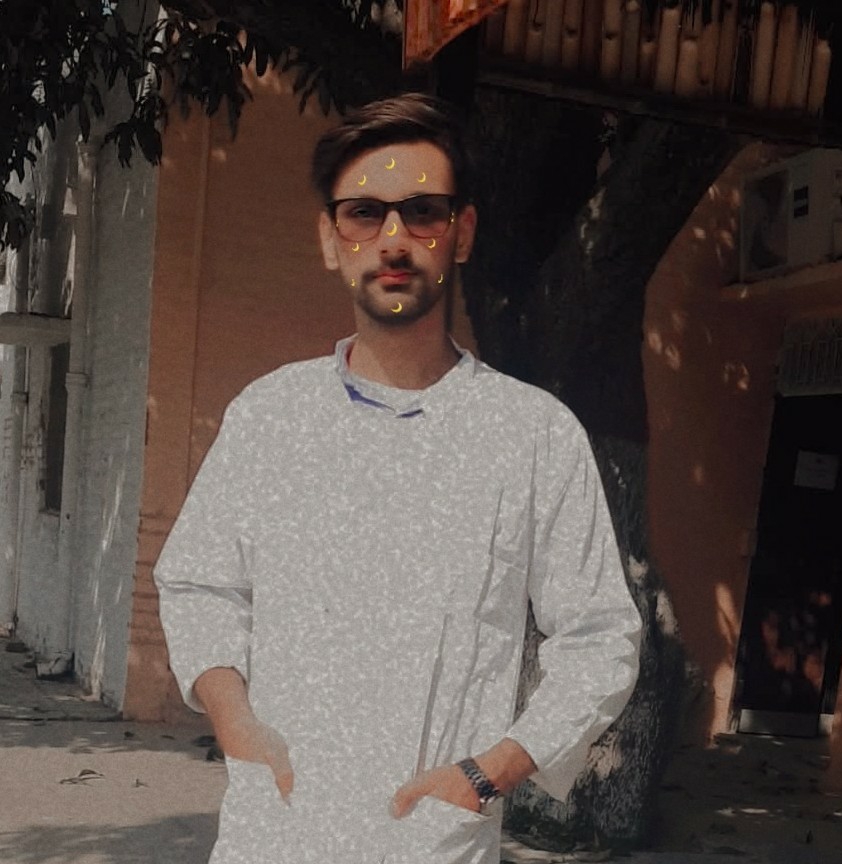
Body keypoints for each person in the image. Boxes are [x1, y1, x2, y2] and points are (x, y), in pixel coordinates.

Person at [155, 92, 641, 864]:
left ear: (461, 233)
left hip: (431, 845)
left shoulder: (531, 436)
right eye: (363, 213)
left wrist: (493, 771)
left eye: (421, 212)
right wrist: (235, 722)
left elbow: (600, 637)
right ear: (330, 239)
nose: (393, 239)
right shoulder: (271, 417)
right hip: (275, 836)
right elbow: (198, 585)